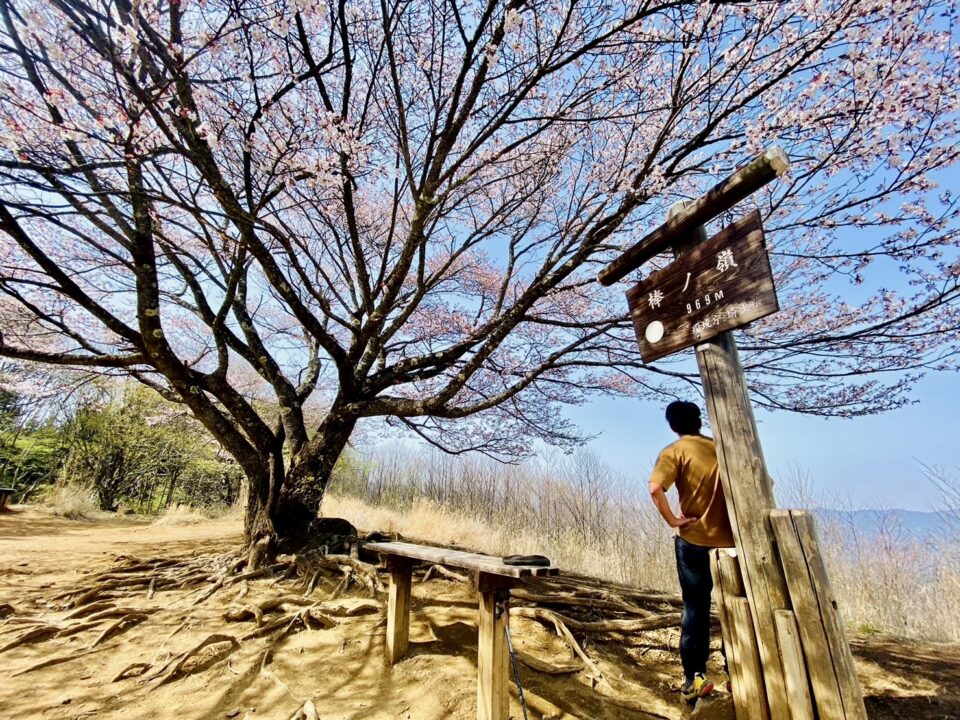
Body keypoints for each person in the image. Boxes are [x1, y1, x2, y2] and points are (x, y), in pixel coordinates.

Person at [648, 400, 735, 704]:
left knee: (696, 607)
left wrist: (673, 520)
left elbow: (655, 488)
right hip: (734, 544)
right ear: (700, 421)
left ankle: (694, 678)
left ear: (672, 425)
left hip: (695, 540)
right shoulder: (724, 448)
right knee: (736, 608)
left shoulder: (674, 451)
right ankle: (739, 674)